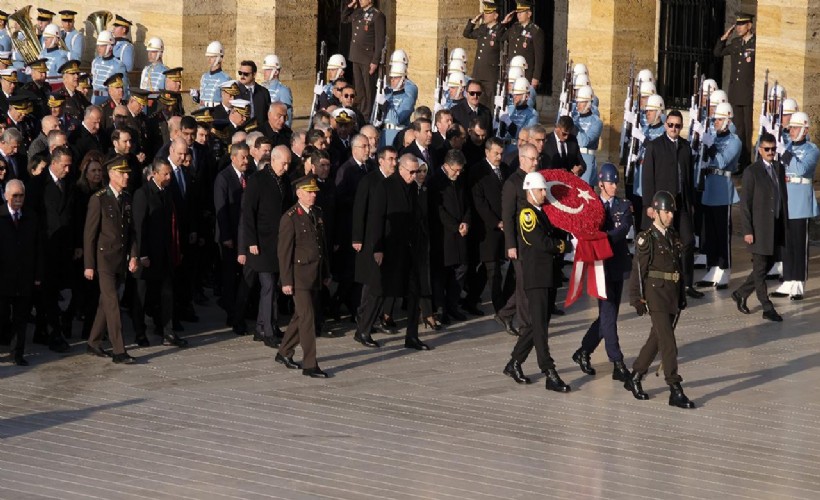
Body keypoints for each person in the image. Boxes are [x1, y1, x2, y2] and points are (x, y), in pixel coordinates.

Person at [502, 172, 571, 392]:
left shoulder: (541, 212)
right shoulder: (527, 214)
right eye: (541, 190)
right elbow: (540, 242)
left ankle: (514, 363)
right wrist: (563, 246)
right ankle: (548, 370)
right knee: (540, 327)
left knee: (537, 325)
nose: (544, 194)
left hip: (546, 275)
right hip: (536, 276)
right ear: (530, 191)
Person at [625, 190, 694, 408]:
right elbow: (638, 270)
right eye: (666, 212)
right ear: (655, 213)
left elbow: (678, 270)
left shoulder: (673, 236)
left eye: (671, 212)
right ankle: (674, 387)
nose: (670, 216)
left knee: (656, 340)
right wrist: (636, 298)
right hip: (655, 294)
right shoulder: (647, 238)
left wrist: (682, 295)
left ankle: (635, 375)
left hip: (671, 294)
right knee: (668, 343)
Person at [572, 163, 632, 382]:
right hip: (600, 266)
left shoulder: (623, 205)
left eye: (616, 182)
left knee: (609, 315)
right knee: (608, 314)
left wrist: (602, 237)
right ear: (600, 184)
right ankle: (617, 361)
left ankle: (584, 351)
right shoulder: (592, 205)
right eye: (610, 182)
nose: (614, 186)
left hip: (617, 264)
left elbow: (623, 229)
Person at [641, 109, 703, 299]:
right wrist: (649, 205)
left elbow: (689, 176)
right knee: (658, 243)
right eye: (670, 125)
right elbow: (647, 177)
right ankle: (650, 282)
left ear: (681, 127)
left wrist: (691, 201)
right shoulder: (655, 146)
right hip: (661, 205)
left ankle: (686, 284)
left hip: (681, 203)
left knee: (688, 242)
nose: (673, 128)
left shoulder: (685, 147)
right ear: (665, 124)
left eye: (677, 126)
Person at [83, 155, 138, 364]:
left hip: (120, 259)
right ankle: (119, 350)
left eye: (127, 173)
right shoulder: (99, 198)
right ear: (112, 174)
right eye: (123, 173)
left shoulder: (126, 197)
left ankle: (94, 342)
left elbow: (131, 231)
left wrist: (133, 255)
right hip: (104, 259)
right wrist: (89, 265)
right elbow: (89, 234)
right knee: (113, 302)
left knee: (104, 304)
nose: (126, 177)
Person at [276, 176, 332, 378]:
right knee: (308, 318)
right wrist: (286, 281)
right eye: (309, 192)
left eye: (315, 191)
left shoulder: (317, 213)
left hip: (314, 273)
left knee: (300, 316)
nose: (313, 195)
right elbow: (284, 252)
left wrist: (326, 272)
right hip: (298, 276)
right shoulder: (290, 217)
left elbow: (321, 246)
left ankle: (284, 352)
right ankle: (310, 364)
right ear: (299, 193)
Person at [732, 133, 789, 322]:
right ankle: (767, 306)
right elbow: (745, 204)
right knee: (760, 267)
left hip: (776, 226)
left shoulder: (779, 168)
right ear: (760, 150)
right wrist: (747, 230)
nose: (771, 152)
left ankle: (741, 293)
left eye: (773, 149)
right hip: (759, 228)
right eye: (767, 149)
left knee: (767, 265)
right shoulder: (752, 171)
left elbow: (782, 197)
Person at [132, 158, 188, 348]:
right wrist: (142, 254)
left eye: (170, 173)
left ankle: (168, 331)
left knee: (167, 294)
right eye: (165, 173)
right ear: (154, 174)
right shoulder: (142, 194)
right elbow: (139, 227)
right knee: (142, 295)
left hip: (164, 253)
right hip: (148, 255)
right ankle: (140, 332)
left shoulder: (168, 192)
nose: (168, 177)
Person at [243, 146, 292, 346]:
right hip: (261, 243)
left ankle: (263, 326)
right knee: (268, 286)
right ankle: (267, 332)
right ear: (273, 160)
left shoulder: (285, 180)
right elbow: (248, 213)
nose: (287, 167)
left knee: (275, 287)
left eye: (289, 163)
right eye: (284, 163)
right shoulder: (258, 180)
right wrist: (251, 241)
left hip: (278, 244)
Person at [770, 113, 819, 301]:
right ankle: (789, 279)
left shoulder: (811, 149)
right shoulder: (786, 146)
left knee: (799, 244)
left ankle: (798, 282)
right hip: (786, 199)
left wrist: (785, 153)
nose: (791, 131)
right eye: (790, 128)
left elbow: (800, 170)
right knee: (787, 243)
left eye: (795, 128)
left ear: (805, 130)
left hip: (800, 200)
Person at [695, 102, 741, 290]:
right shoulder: (712, 136)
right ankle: (713, 267)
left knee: (722, 234)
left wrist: (710, 145)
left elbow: (722, 161)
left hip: (723, 189)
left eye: (720, 119)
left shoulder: (734, 141)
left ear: (728, 120)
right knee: (710, 233)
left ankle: (725, 268)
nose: (715, 122)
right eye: (715, 119)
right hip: (709, 187)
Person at [0, 180, 42, 366]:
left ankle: (17, 353)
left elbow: (38, 247)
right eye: (14, 196)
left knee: (21, 318)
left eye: (21, 195)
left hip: (24, 276)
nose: (18, 199)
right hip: (3, 277)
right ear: (6, 196)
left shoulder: (31, 217)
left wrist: (38, 275)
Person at [468, 137, 512, 314]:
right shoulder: (477, 171)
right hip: (487, 229)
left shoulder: (505, 170)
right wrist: (496, 222)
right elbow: (479, 202)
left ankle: (470, 300)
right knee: (493, 269)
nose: (499, 157)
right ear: (487, 152)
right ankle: (500, 308)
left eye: (501, 153)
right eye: (496, 153)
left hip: (504, 227)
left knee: (488, 268)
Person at [428, 149, 472, 322]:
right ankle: (441, 309)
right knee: (441, 274)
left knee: (461, 269)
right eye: (455, 170)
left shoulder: (459, 179)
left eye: (460, 170)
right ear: (446, 166)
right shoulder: (435, 182)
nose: (458, 173)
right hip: (443, 235)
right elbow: (438, 210)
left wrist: (466, 222)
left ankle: (452, 305)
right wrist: (455, 226)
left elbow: (467, 203)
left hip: (460, 233)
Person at [215, 143, 251, 335]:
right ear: (233, 158)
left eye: (247, 157)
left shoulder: (249, 176)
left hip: (244, 234)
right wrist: (227, 236)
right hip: (229, 236)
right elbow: (221, 209)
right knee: (230, 277)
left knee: (243, 278)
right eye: (243, 157)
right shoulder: (224, 178)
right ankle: (231, 313)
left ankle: (240, 313)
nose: (246, 161)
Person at [714, 13, 755, 169]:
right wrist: (725, 36)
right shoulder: (737, 43)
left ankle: (746, 162)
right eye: (737, 25)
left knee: (748, 129)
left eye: (742, 24)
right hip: (735, 93)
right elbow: (718, 52)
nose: (738, 27)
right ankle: (739, 161)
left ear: (749, 26)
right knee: (738, 129)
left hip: (748, 93)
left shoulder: (755, 43)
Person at [342, 0, 386, 120]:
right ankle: (360, 113)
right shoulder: (358, 13)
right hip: (356, 56)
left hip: (367, 58)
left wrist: (375, 61)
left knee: (368, 90)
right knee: (359, 89)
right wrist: (350, 5)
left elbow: (379, 41)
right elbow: (344, 19)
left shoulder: (377, 16)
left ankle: (368, 116)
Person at [463, 1, 509, 109]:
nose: (485, 15)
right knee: (476, 101)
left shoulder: (500, 30)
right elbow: (467, 34)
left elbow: (500, 40)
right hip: (478, 72)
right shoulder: (483, 28)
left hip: (490, 74)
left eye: (488, 13)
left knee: (488, 103)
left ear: (495, 15)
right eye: (485, 13)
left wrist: (502, 24)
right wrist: (474, 21)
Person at [500, 0, 545, 88]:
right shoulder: (514, 28)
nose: (518, 15)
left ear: (529, 14)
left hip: (526, 74)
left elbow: (539, 57)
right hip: (512, 73)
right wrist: (504, 23)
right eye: (518, 12)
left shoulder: (535, 31)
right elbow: (500, 38)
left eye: (522, 12)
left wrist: (536, 78)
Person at [572, 85, 603, 185]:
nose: (578, 105)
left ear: (589, 103)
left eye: (581, 102)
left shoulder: (596, 122)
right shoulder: (574, 117)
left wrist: (575, 126)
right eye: (578, 102)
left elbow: (584, 142)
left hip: (587, 158)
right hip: (573, 156)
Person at [91, 31, 130, 106]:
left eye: (102, 46)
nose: (99, 48)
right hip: (95, 100)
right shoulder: (95, 62)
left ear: (110, 47)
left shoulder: (118, 65)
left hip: (109, 102)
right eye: (98, 46)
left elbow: (124, 87)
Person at [261, 54, 294, 126]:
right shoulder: (261, 88)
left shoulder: (283, 90)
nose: (264, 73)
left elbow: (287, 116)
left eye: (267, 70)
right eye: (265, 70)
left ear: (276, 72)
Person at [198, 41, 231, 108]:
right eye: (208, 57)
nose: (209, 59)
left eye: (212, 57)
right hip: (202, 113)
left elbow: (227, 102)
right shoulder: (204, 77)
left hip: (216, 113)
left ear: (219, 58)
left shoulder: (225, 79)